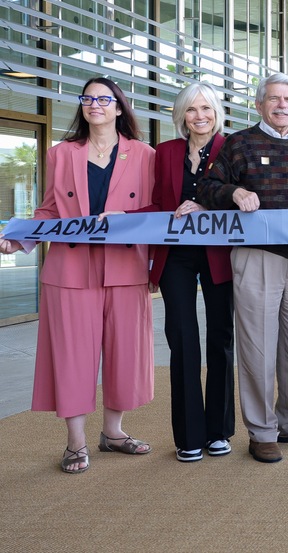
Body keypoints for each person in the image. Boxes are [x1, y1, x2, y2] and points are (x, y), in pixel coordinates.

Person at [0, 78, 156, 473]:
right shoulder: (61, 154)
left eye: (104, 99)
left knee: (124, 354)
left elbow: (155, 210)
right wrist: (18, 241)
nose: (95, 105)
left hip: (125, 268)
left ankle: (114, 433)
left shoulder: (144, 154)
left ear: (119, 107)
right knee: (71, 357)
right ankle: (76, 442)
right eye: (88, 98)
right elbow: (49, 211)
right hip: (69, 269)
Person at [198, 72, 288, 464]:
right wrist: (234, 191)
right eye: (274, 99)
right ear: (259, 105)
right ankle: (261, 430)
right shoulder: (239, 143)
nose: (282, 105)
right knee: (257, 347)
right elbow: (206, 188)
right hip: (256, 256)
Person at [146, 83, 236, 462]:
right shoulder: (164, 152)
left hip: (219, 255)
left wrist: (206, 205)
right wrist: (121, 219)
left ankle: (218, 430)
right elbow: (155, 203)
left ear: (216, 113)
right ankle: (188, 434)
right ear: (181, 115)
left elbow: (244, 198)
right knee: (183, 338)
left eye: (206, 109)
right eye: (192, 110)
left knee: (220, 338)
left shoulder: (233, 147)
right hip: (176, 258)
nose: (200, 117)